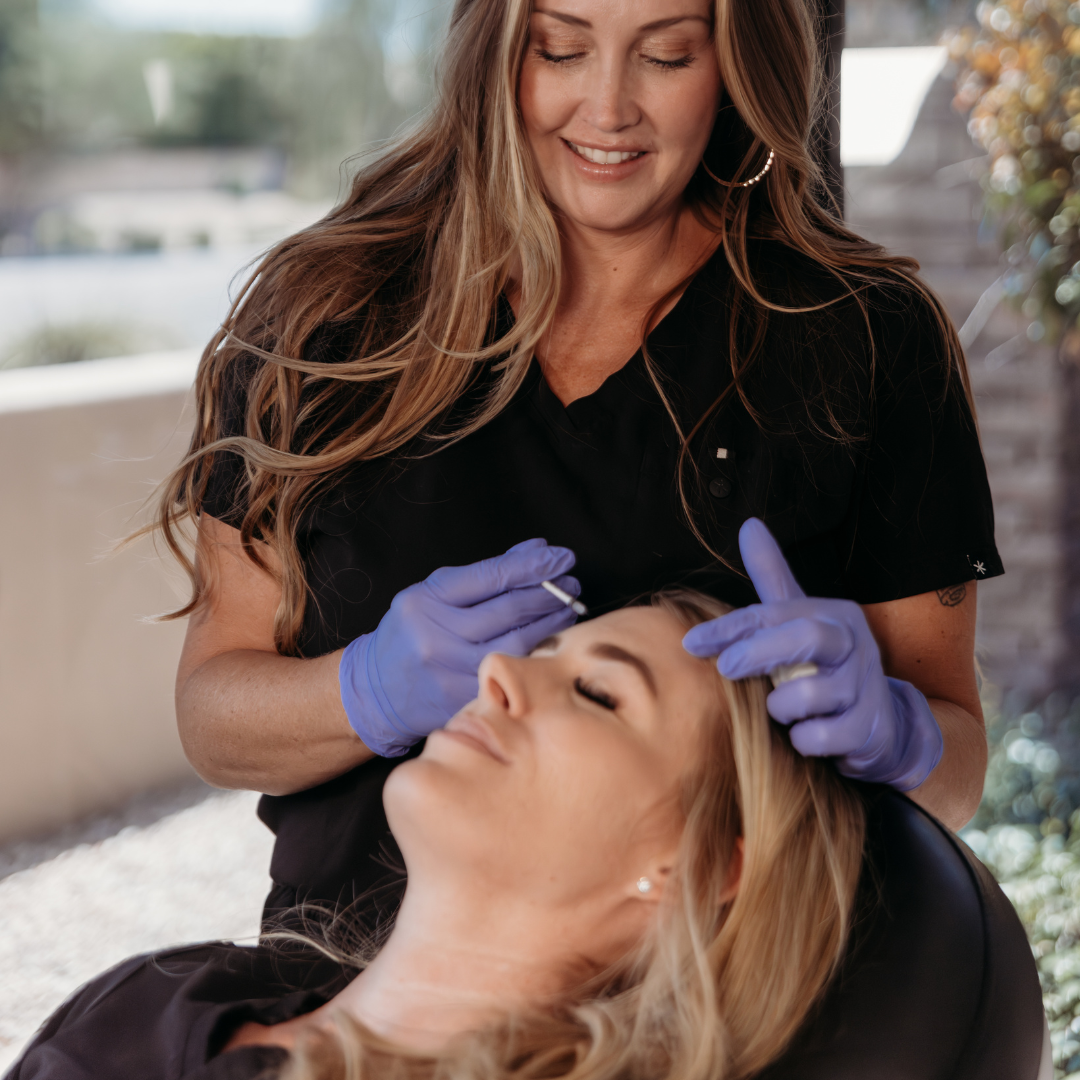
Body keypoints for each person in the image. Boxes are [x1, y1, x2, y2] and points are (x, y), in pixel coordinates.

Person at [160, 0, 1000, 922]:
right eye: (560, 49)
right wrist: (362, 690)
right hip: (352, 996)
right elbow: (213, 717)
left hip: (717, 1021)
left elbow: (954, 775)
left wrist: (897, 735)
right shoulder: (329, 314)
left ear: (731, 67)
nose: (607, 109)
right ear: (496, 55)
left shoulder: (866, 338)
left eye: (668, 57)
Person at [9, 592, 867, 1080]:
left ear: (699, 867)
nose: (499, 667)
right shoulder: (181, 987)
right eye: (548, 650)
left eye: (600, 694)